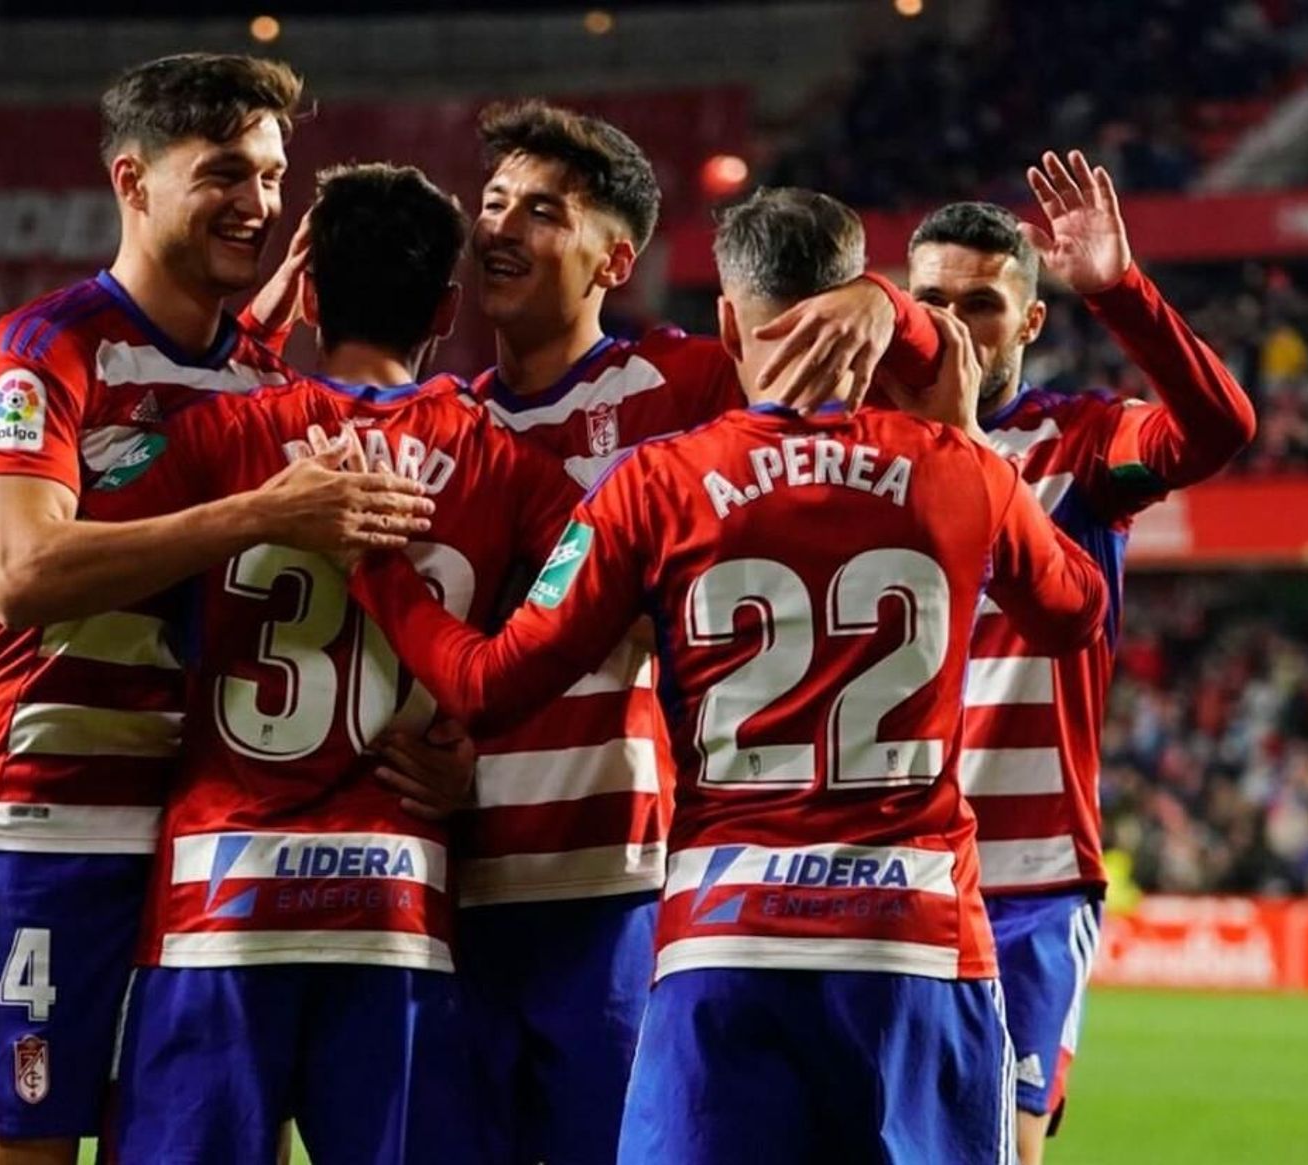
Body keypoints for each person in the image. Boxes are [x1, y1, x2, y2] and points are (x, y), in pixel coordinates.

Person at [348, 185, 1110, 1164]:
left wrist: (381, 575)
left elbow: (490, 686)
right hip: (914, 944)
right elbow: (1076, 613)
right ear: (863, 317)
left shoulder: (655, 485)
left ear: (724, 320)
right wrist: (957, 429)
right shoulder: (959, 468)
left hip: (725, 942)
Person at [416, 101, 948, 1163]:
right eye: (492, 204)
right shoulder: (438, 420)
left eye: (542, 211)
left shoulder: (683, 385)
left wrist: (882, 302)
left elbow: (910, 386)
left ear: (616, 257)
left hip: (611, 888)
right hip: (443, 884)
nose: (501, 229)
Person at [0, 55, 438, 1164]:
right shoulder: (44, 348)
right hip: (48, 817)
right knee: (18, 1141)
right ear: (132, 180)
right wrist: (253, 515)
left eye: (269, 176)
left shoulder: (265, 384)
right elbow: (17, 572)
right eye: (223, 174)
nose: (257, 204)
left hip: (208, 843)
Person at [94, 162, 584, 1164]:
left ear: (310, 293)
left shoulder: (222, 434)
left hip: (216, 901)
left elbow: (61, 561)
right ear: (447, 309)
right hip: (397, 902)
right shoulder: (505, 465)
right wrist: (475, 747)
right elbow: (595, 628)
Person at [905, 151, 1255, 1165]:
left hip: (1025, 878)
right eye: (931, 301)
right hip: (884, 863)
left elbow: (1217, 428)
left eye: (982, 303)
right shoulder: (854, 452)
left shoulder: (1081, 445)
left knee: (999, 1150)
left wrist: (1120, 291)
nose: (953, 325)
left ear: (1029, 322)